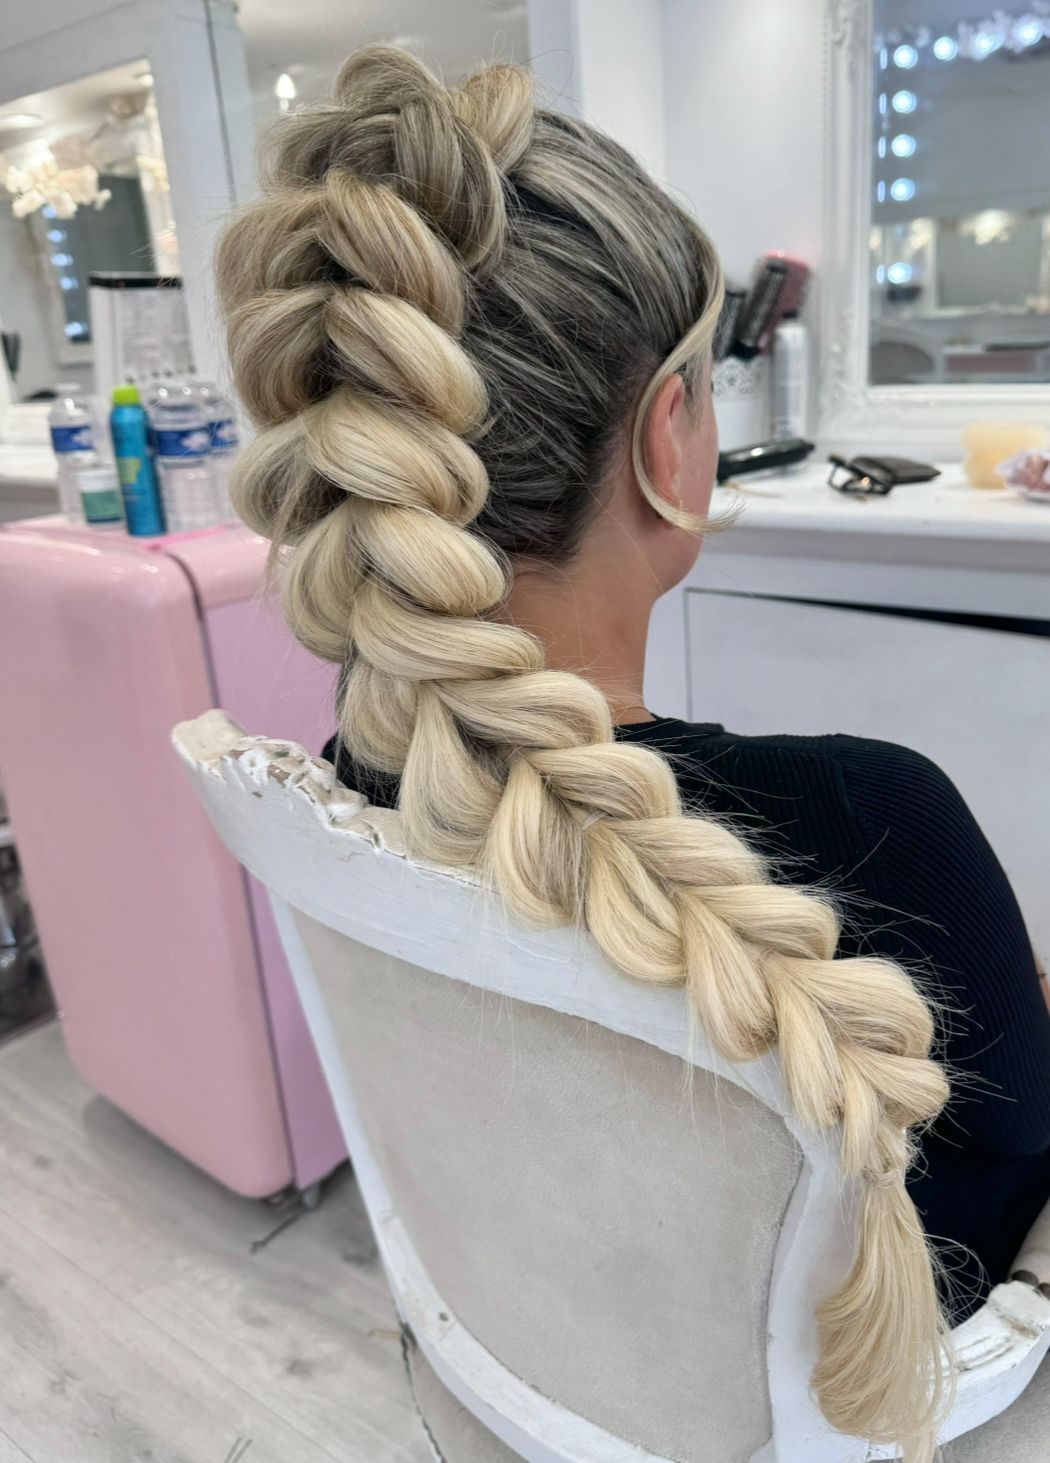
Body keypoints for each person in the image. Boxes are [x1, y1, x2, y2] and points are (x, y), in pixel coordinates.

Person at [216, 47, 1050, 1461]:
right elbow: (1015, 1144)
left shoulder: (358, 773)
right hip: (856, 1376)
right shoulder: (871, 817)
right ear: (672, 435)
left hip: (533, 1323)